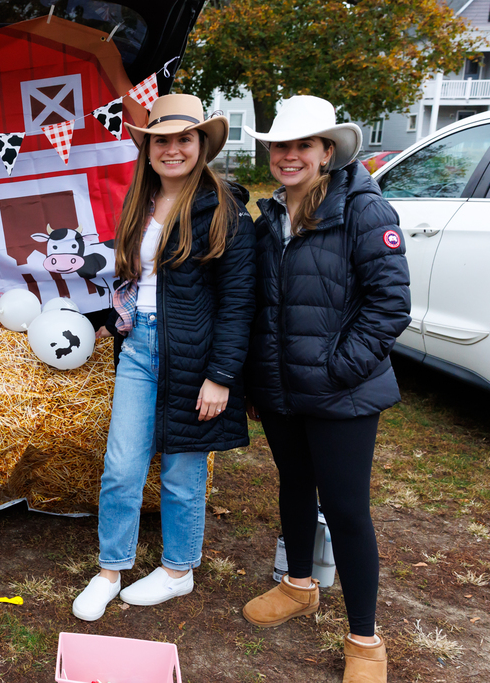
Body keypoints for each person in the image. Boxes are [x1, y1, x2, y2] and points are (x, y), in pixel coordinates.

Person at [241, 95, 410, 683]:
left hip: (343, 393)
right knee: (294, 487)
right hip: (284, 389)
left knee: (345, 509)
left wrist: (340, 369)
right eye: (280, 146)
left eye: (302, 146)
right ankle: (298, 586)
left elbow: (390, 306)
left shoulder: (365, 209)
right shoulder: (270, 219)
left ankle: (364, 639)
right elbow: (265, 307)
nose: (289, 156)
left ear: (327, 151)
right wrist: (263, 377)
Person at [72, 94, 256, 621]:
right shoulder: (140, 201)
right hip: (139, 348)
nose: (172, 150)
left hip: (196, 356)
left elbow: (240, 301)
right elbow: (133, 281)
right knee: (121, 466)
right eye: (162, 141)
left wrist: (220, 375)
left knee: (181, 471)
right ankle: (111, 570)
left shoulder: (224, 209)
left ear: (202, 146)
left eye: (184, 139)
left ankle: (178, 569)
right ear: (148, 148)